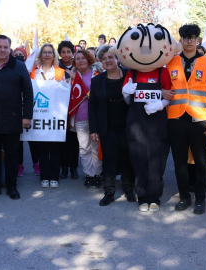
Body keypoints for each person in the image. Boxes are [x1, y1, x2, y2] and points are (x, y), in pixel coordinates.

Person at [111, 23, 182, 212]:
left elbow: (170, 93)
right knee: (139, 158)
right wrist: (125, 93)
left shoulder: (162, 71)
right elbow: (127, 100)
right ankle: (142, 196)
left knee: (156, 159)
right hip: (135, 123)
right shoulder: (131, 73)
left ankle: (154, 197)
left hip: (157, 123)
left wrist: (161, 103)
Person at [165, 24, 206, 215]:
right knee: (179, 162)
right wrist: (163, 92)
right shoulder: (170, 62)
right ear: (181, 40)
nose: (189, 41)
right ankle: (184, 197)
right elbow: (165, 87)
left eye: (193, 37)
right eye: (186, 38)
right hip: (176, 119)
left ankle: (201, 198)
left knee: (202, 162)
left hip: (200, 119)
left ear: (197, 40)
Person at [0, 35, 33, 200]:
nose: (2, 50)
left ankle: (12, 186)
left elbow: (28, 92)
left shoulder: (19, 66)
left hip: (13, 118)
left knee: (12, 154)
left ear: (9, 48)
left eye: (5, 47)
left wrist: (27, 116)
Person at [89, 45, 135, 206]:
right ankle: (109, 191)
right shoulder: (96, 81)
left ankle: (129, 188)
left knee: (126, 158)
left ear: (117, 59)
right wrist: (93, 129)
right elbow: (92, 106)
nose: (108, 61)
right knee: (109, 159)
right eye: (104, 59)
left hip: (127, 125)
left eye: (110, 57)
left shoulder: (130, 76)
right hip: (106, 126)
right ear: (101, 62)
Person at [29, 43, 65, 188]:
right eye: (45, 52)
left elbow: (64, 93)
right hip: (40, 115)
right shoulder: (33, 73)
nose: (47, 55)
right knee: (42, 147)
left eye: (50, 52)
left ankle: (54, 175)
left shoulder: (60, 72)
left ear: (54, 55)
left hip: (56, 115)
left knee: (55, 147)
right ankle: (44, 176)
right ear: (40, 55)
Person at [71, 49, 103, 188]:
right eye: (77, 59)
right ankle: (88, 174)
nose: (80, 60)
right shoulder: (73, 76)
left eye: (83, 58)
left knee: (95, 147)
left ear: (88, 59)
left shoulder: (97, 74)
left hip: (95, 117)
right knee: (84, 148)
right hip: (79, 117)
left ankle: (96, 174)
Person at [13, 46, 40, 177]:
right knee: (18, 141)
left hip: (32, 109)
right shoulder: (12, 70)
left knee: (33, 140)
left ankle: (36, 163)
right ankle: (19, 165)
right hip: (15, 110)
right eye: (16, 54)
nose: (18, 56)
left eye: (21, 54)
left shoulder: (34, 72)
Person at [57, 41, 79, 180]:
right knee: (62, 140)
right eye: (63, 52)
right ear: (60, 54)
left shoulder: (79, 67)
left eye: (69, 52)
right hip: (59, 108)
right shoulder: (56, 69)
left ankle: (74, 167)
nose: (66, 55)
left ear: (73, 53)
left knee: (74, 139)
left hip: (75, 107)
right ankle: (63, 167)